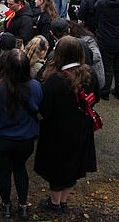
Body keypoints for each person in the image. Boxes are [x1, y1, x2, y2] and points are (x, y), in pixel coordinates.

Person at [34, 36, 99, 214]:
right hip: (82, 127)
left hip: (57, 130)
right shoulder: (90, 74)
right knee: (74, 165)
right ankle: (63, 201)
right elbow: (96, 98)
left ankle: (55, 204)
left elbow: (45, 110)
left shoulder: (55, 80)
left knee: (57, 168)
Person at [0, 49, 42, 220]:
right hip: (25, 139)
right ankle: (23, 206)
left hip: (1, 138)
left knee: (4, 171)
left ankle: (6, 205)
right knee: (20, 169)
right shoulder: (36, 87)